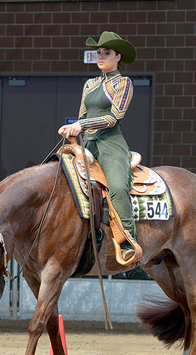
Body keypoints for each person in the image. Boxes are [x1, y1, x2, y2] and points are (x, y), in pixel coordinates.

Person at [58, 31, 140, 262]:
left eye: (106, 53)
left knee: (117, 186)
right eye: (98, 53)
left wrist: (81, 124)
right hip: (87, 142)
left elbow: (114, 117)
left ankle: (127, 241)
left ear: (118, 57)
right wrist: (74, 128)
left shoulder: (123, 83)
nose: (100, 56)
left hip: (110, 142)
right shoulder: (90, 84)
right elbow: (82, 114)